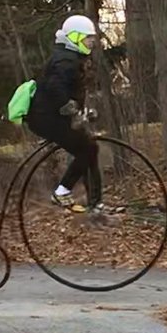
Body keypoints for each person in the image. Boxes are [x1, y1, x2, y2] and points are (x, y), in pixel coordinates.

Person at [25, 14, 103, 214]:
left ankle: (96, 203)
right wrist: (71, 109)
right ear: (75, 37)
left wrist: (81, 111)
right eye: (88, 38)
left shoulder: (71, 58)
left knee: (89, 149)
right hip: (47, 120)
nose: (92, 42)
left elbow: (71, 91)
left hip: (51, 118)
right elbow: (54, 88)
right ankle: (62, 191)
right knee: (87, 149)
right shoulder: (65, 60)